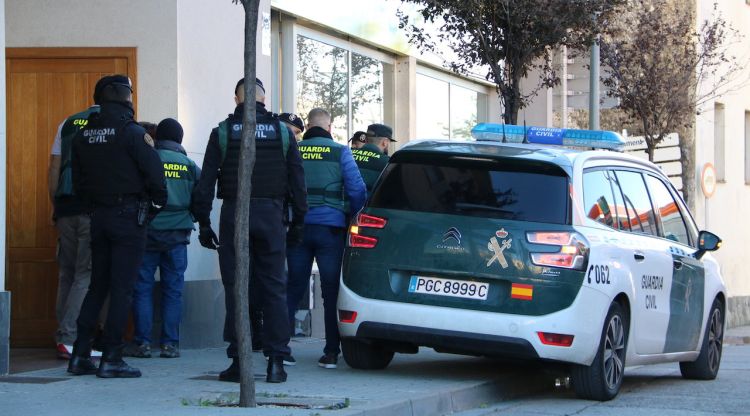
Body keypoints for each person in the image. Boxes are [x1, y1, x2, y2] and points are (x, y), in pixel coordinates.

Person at [192, 77, 307, 383]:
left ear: (236, 99)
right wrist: (298, 222)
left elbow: (205, 182)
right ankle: (276, 362)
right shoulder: (283, 132)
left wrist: (203, 222)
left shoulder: (223, 132)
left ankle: (239, 361)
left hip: (234, 214)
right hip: (271, 216)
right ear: (263, 100)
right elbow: (298, 180)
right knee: (274, 287)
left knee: (236, 288)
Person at [67, 75, 167, 378]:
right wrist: (150, 211)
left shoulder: (83, 135)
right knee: (122, 289)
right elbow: (156, 179)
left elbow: (79, 181)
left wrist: (95, 208)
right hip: (128, 217)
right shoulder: (132, 133)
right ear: (125, 97)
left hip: (98, 217)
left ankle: (80, 355)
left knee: (97, 286)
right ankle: (111, 357)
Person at [286, 108, 366, 369]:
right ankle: (331, 351)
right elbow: (357, 189)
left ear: (308, 126)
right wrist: (351, 217)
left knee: (292, 287)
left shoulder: (294, 149)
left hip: (297, 227)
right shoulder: (340, 151)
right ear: (329, 127)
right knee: (331, 291)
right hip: (330, 230)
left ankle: (279, 349)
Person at [125, 118, 200, 359]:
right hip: (178, 235)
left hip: (148, 231)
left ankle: (142, 343)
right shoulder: (189, 165)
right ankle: (170, 344)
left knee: (142, 288)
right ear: (179, 138)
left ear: (158, 138)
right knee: (173, 290)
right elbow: (202, 196)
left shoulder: (149, 159)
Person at [48, 80, 107, 360]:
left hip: (65, 205)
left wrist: (56, 205)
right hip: (90, 208)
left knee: (67, 274)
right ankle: (70, 337)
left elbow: (55, 167)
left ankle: (63, 335)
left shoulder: (67, 124)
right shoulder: (107, 124)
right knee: (87, 274)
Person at [351, 123, 395, 195]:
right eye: (389, 142)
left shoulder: (349, 155)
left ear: (366, 140)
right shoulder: (387, 162)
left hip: (343, 204)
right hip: (369, 204)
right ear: (385, 142)